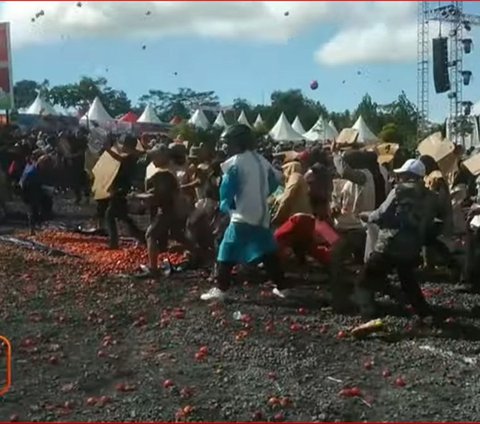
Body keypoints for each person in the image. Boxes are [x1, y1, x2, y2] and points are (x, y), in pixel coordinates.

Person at [200, 124, 287, 301]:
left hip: (243, 215)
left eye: (229, 143)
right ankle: (283, 287)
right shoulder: (262, 160)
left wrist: (225, 204)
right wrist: (260, 195)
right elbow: (276, 181)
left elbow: (227, 188)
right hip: (262, 214)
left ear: (238, 143)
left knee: (227, 248)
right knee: (268, 251)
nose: (226, 147)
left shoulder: (236, 162)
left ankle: (221, 288)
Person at [353, 159, 436, 318]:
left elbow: (381, 214)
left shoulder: (398, 191)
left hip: (390, 244)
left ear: (407, 175)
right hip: (412, 247)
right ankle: (424, 314)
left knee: (364, 279)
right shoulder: (430, 196)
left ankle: (368, 312)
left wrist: (367, 216)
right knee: (408, 281)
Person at [141, 144, 184, 277]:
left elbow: (159, 195)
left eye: (155, 156)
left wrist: (138, 196)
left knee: (151, 234)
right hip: (175, 208)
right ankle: (205, 255)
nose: (152, 159)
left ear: (162, 156)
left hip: (167, 209)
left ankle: (153, 269)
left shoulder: (165, 173)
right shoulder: (169, 169)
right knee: (180, 236)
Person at [104, 135, 145, 249]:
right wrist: (114, 144)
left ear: (128, 145)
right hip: (122, 188)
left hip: (121, 189)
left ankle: (114, 242)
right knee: (122, 216)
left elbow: (119, 157)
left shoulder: (130, 156)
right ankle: (141, 237)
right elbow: (120, 152)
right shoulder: (133, 154)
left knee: (110, 215)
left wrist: (108, 149)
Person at [19, 154, 53, 234]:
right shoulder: (31, 172)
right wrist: (25, 196)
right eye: (45, 164)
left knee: (46, 205)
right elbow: (23, 184)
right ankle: (32, 228)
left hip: (38, 189)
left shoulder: (42, 170)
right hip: (29, 189)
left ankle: (40, 222)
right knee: (33, 208)